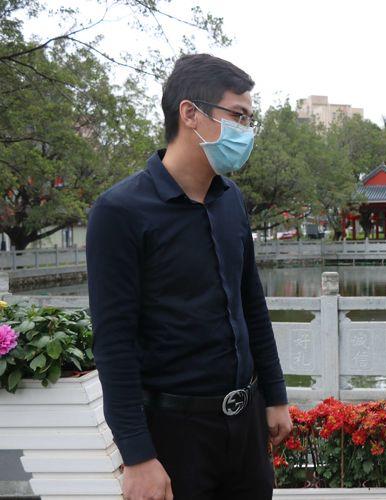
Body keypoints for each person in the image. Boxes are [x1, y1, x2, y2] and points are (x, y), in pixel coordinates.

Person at [86, 54, 292, 500]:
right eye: (238, 116)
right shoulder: (119, 212)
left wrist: (275, 396)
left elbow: (251, 304)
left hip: (246, 423)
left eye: (249, 119)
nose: (246, 131)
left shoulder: (230, 199)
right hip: (174, 431)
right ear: (190, 113)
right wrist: (137, 456)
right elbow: (114, 342)